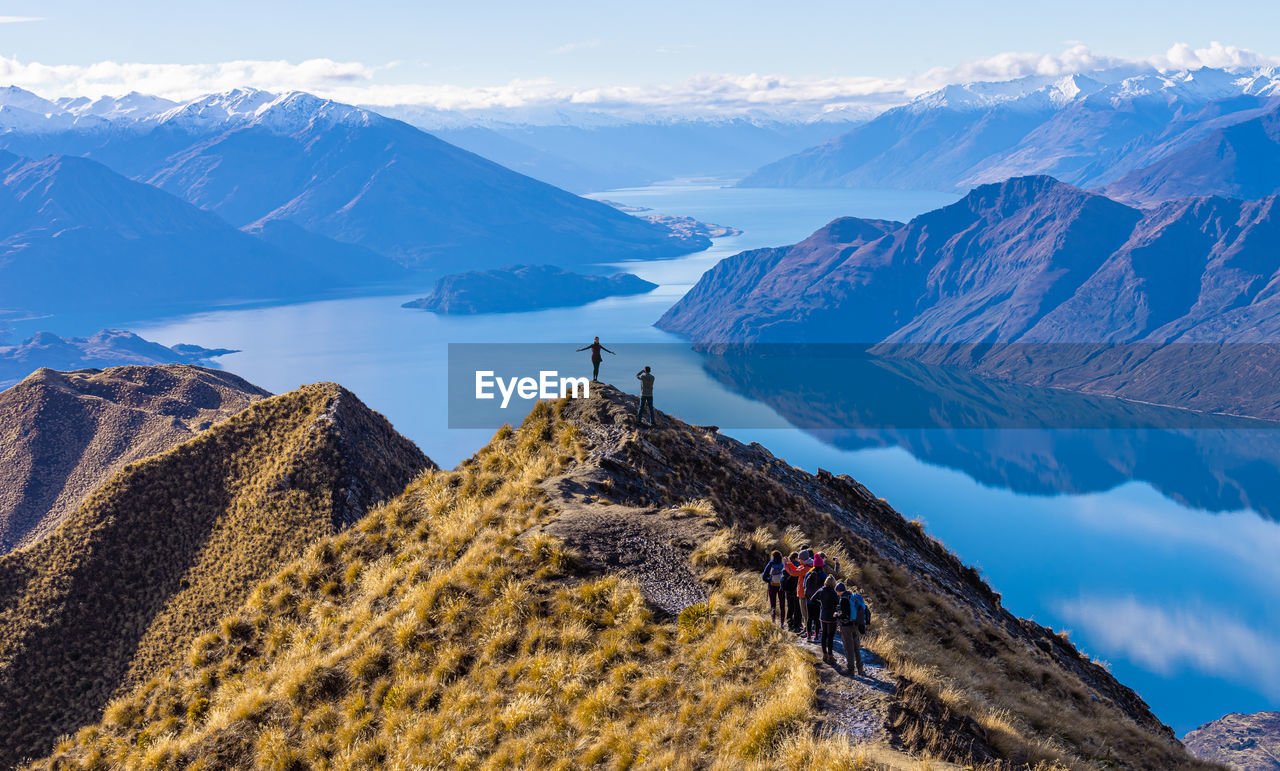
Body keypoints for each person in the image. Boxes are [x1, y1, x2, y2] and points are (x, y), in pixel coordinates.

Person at [836, 582, 868, 676]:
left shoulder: (843, 600)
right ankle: (860, 669)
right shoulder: (852, 596)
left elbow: (844, 615)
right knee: (857, 648)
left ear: (838, 591)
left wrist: (836, 615)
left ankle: (850, 670)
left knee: (849, 649)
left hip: (846, 627)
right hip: (856, 625)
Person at [814, 575, 841, 664]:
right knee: (830, 637)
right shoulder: (834, 593)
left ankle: (824, 654)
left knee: (824, 635)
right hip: (832, 617)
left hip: (823, 616)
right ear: (833, 583)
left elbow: (812, 599)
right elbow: (838, 604)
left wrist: (821, 604)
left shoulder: (821, 590)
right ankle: (830, 655)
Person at [786, 549, 813, 637]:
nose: (798, 559)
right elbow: (797, 570)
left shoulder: (807, 568)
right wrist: (790, 564)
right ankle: (806, 629)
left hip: (804, 593)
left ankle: (807, 631)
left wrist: (786, 565)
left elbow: (794, 573)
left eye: (799, 558)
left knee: (805, 614)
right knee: (804, 613)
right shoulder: (806, 565)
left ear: (803, 559)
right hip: (803, 593)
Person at [803, 553, 829, 642]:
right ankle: (817, 636)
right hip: (818, 600)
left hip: (809, 599)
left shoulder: (808, 574)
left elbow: (804, 586)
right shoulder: (824, 575)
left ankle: (808, 636)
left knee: (809, 617)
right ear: (821, 565)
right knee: (817, 618)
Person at [760, 550, 786, 627]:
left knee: (773, 605)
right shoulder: (782, 564)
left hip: (772, 587)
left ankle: (773, 621)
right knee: (782, 605)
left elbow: (764, 577)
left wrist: (769, 581)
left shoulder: (770, 564)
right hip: (781, 587)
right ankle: (782, 623)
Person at [780, 552, 802, 632]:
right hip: (796, 590)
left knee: (790, 607)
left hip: (788, 590)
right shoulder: (798, 566)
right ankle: (797, 625)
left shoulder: (786, 566)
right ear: (796, 558)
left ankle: (789, 623)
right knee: (797, 608)